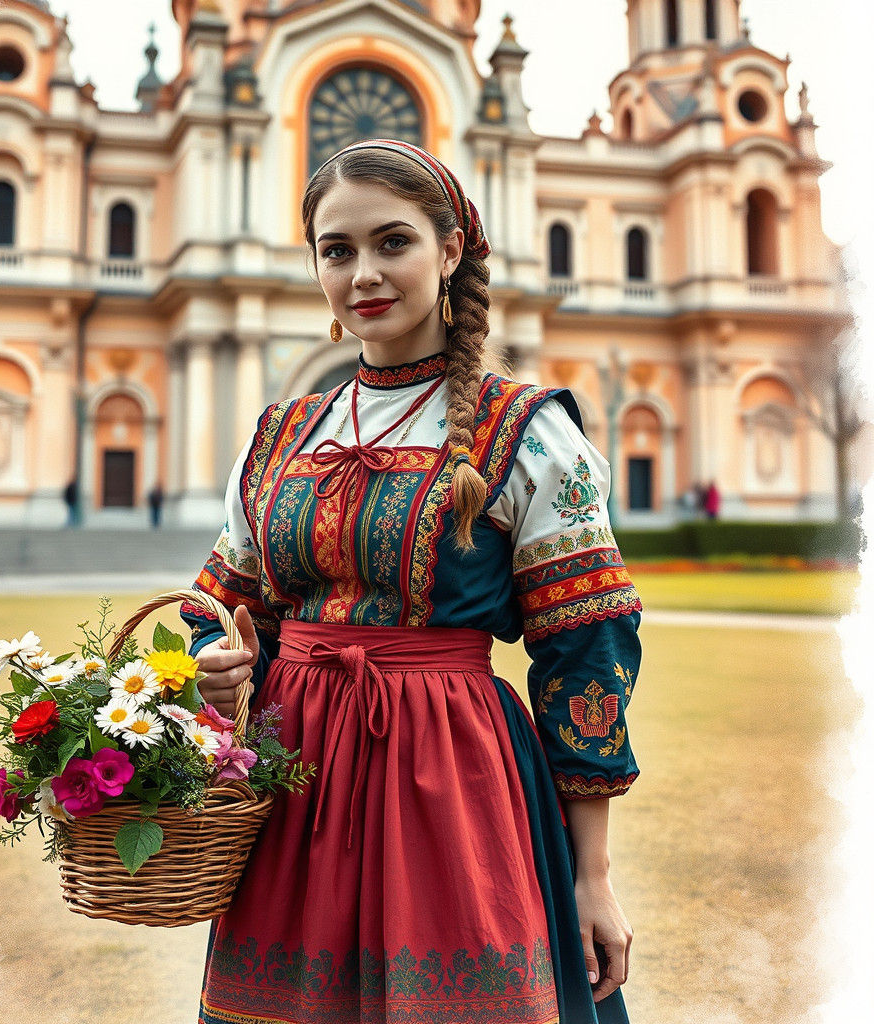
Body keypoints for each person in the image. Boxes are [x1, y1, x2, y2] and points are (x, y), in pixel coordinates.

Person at [180, 139, 643, 1024]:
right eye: (337, 249)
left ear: (451, 250)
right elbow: (220, 605)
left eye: (393, 242)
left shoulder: (528, 432)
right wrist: (216, 664)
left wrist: (594, 880)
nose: (364, 274)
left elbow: (588, 652)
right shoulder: (279, 434)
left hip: (453, 781)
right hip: (296, 787)